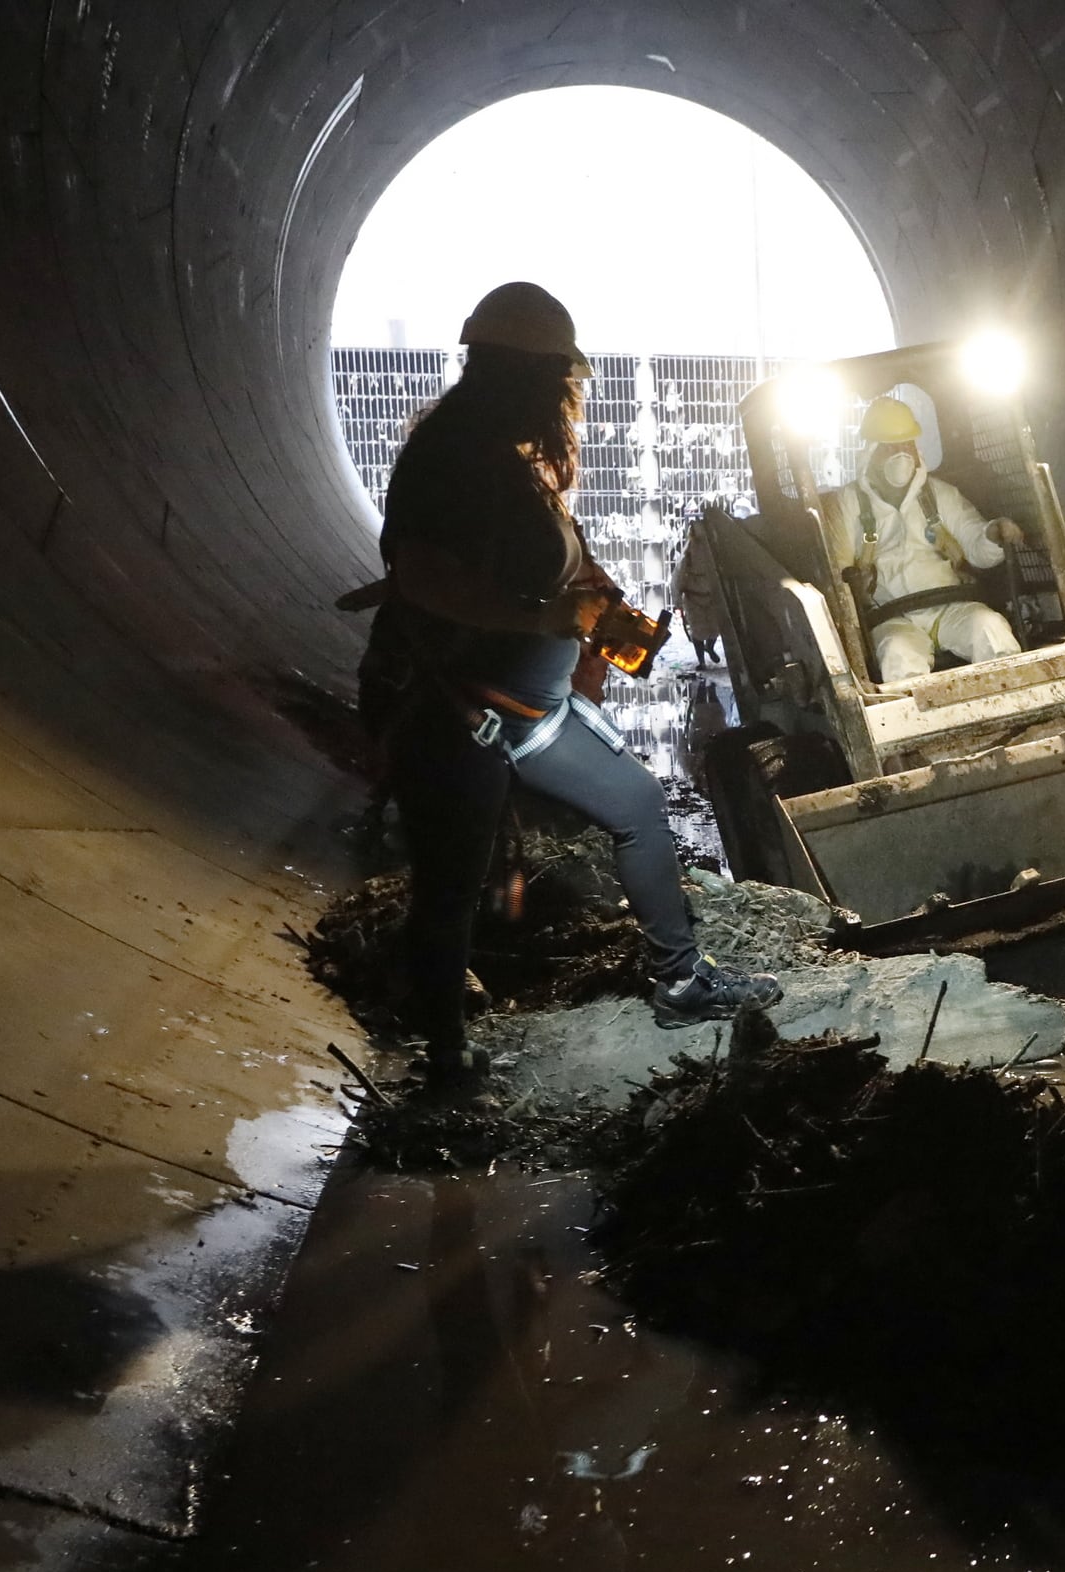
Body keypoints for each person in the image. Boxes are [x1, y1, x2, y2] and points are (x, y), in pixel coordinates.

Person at [367, 280, 778, 1084]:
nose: (567, 397)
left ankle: (681, 981)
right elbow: (420, 577)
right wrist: (547, 619)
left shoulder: (509, 458)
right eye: (559, 380)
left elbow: (553, 564)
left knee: (635, 804)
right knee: (450, 892)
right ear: (518, 375)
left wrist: (599, 614)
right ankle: (446, 1059)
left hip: (536, 712)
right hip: (463, 721)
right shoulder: (447, 457)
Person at [818, 396, 1030, 684]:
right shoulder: (847, 505)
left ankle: (1019, 710)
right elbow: (840, 576)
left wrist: (994, 534)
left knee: (992, 631)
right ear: (871, 452)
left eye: (906, 445)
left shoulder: (940, 495)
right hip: (892, 618)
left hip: (950, 607)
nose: (901, 454)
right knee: (898, 657)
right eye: (890, 447)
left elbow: (976, 543)